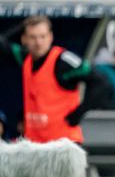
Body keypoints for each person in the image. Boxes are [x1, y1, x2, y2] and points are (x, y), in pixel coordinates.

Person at [1, 15, 108, 144]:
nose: (38, 42)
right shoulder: (25, 59)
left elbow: (101, 82)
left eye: (43, 36)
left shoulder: (62, 61)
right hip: (35, 143)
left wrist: (78, 114)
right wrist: (22, 26)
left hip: (63, 144)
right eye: (33, 37)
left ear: (50, 37)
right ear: (24, 39)